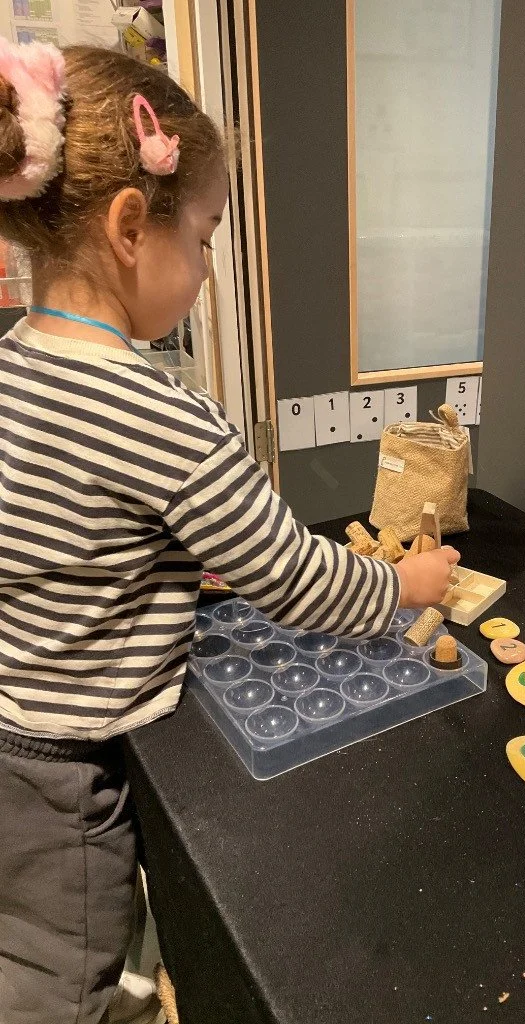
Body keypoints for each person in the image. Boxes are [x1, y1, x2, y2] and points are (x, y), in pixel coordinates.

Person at [0, 40, 460, 1024]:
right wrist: (407, 585)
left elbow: (68, 540)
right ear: (132, 227)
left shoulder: (13, 364)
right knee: (59, 979)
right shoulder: (161, 417)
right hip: (67, 768)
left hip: (11, 724)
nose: (210, 270)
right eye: (206, 238)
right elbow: (295, 576)